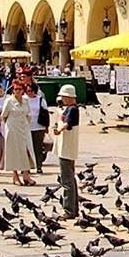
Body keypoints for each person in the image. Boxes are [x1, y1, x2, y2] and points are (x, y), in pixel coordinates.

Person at [52, 84, 80, 219]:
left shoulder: (72, 110)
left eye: (63, 97)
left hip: (67, 147)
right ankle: (74, 208)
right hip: (66, 147)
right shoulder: (69, 109)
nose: (62, 99)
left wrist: (58, 129)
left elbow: (68, 125)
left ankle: (68, 210)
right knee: (70, 178)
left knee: (66, 179)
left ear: (69, 97)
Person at [1, 82, 36, 185]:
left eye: (20, 89)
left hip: (24, 127)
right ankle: (15, 175)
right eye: (16, 89)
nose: (17, 91)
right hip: (13, 127)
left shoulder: (25, 101)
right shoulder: (9, 101)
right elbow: (4, 115)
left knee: (26, 150)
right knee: (14, 151)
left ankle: (26, 175)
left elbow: (28, 114)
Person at [25, 82, 49, 175]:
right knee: (27, 147)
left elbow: (45, 113)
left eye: (30, 91)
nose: (29, 93)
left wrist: (47, 126)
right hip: (27, 127)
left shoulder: (40, 100)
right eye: (27, 91)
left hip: (39, 126)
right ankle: (27, 167)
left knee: (38, 147)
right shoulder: (23, 99)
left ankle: (39, 166)